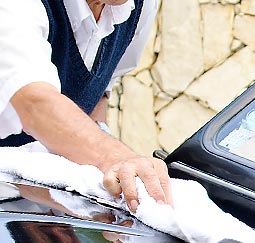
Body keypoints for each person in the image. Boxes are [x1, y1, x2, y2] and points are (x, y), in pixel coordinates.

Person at [0, 0, 169, 211]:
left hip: (34, 204)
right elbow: (35, 105)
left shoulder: (139, 7)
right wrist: (117, 158)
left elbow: (98, 94)